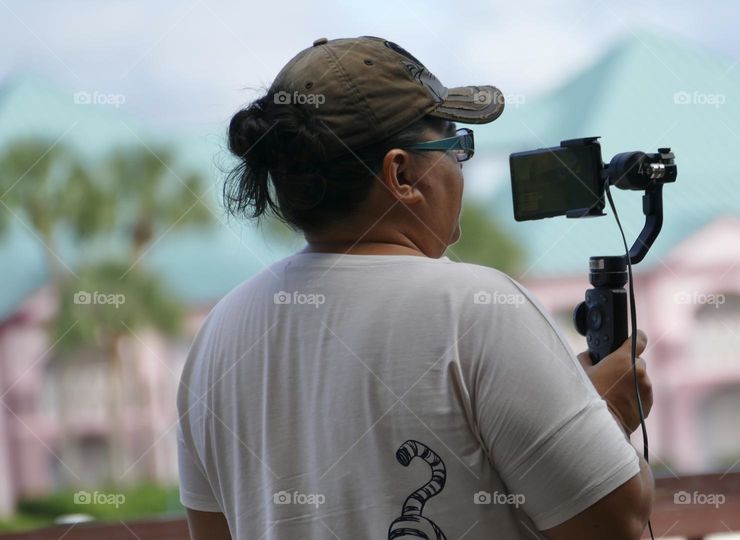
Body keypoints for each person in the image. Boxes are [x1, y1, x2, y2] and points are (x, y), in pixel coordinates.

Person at [176, 36, 654, 540]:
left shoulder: (218, 334)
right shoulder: (476, 309)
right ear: (401, 173)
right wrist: (611, 417)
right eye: (456, 145)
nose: (460, 168)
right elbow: (616, 524)